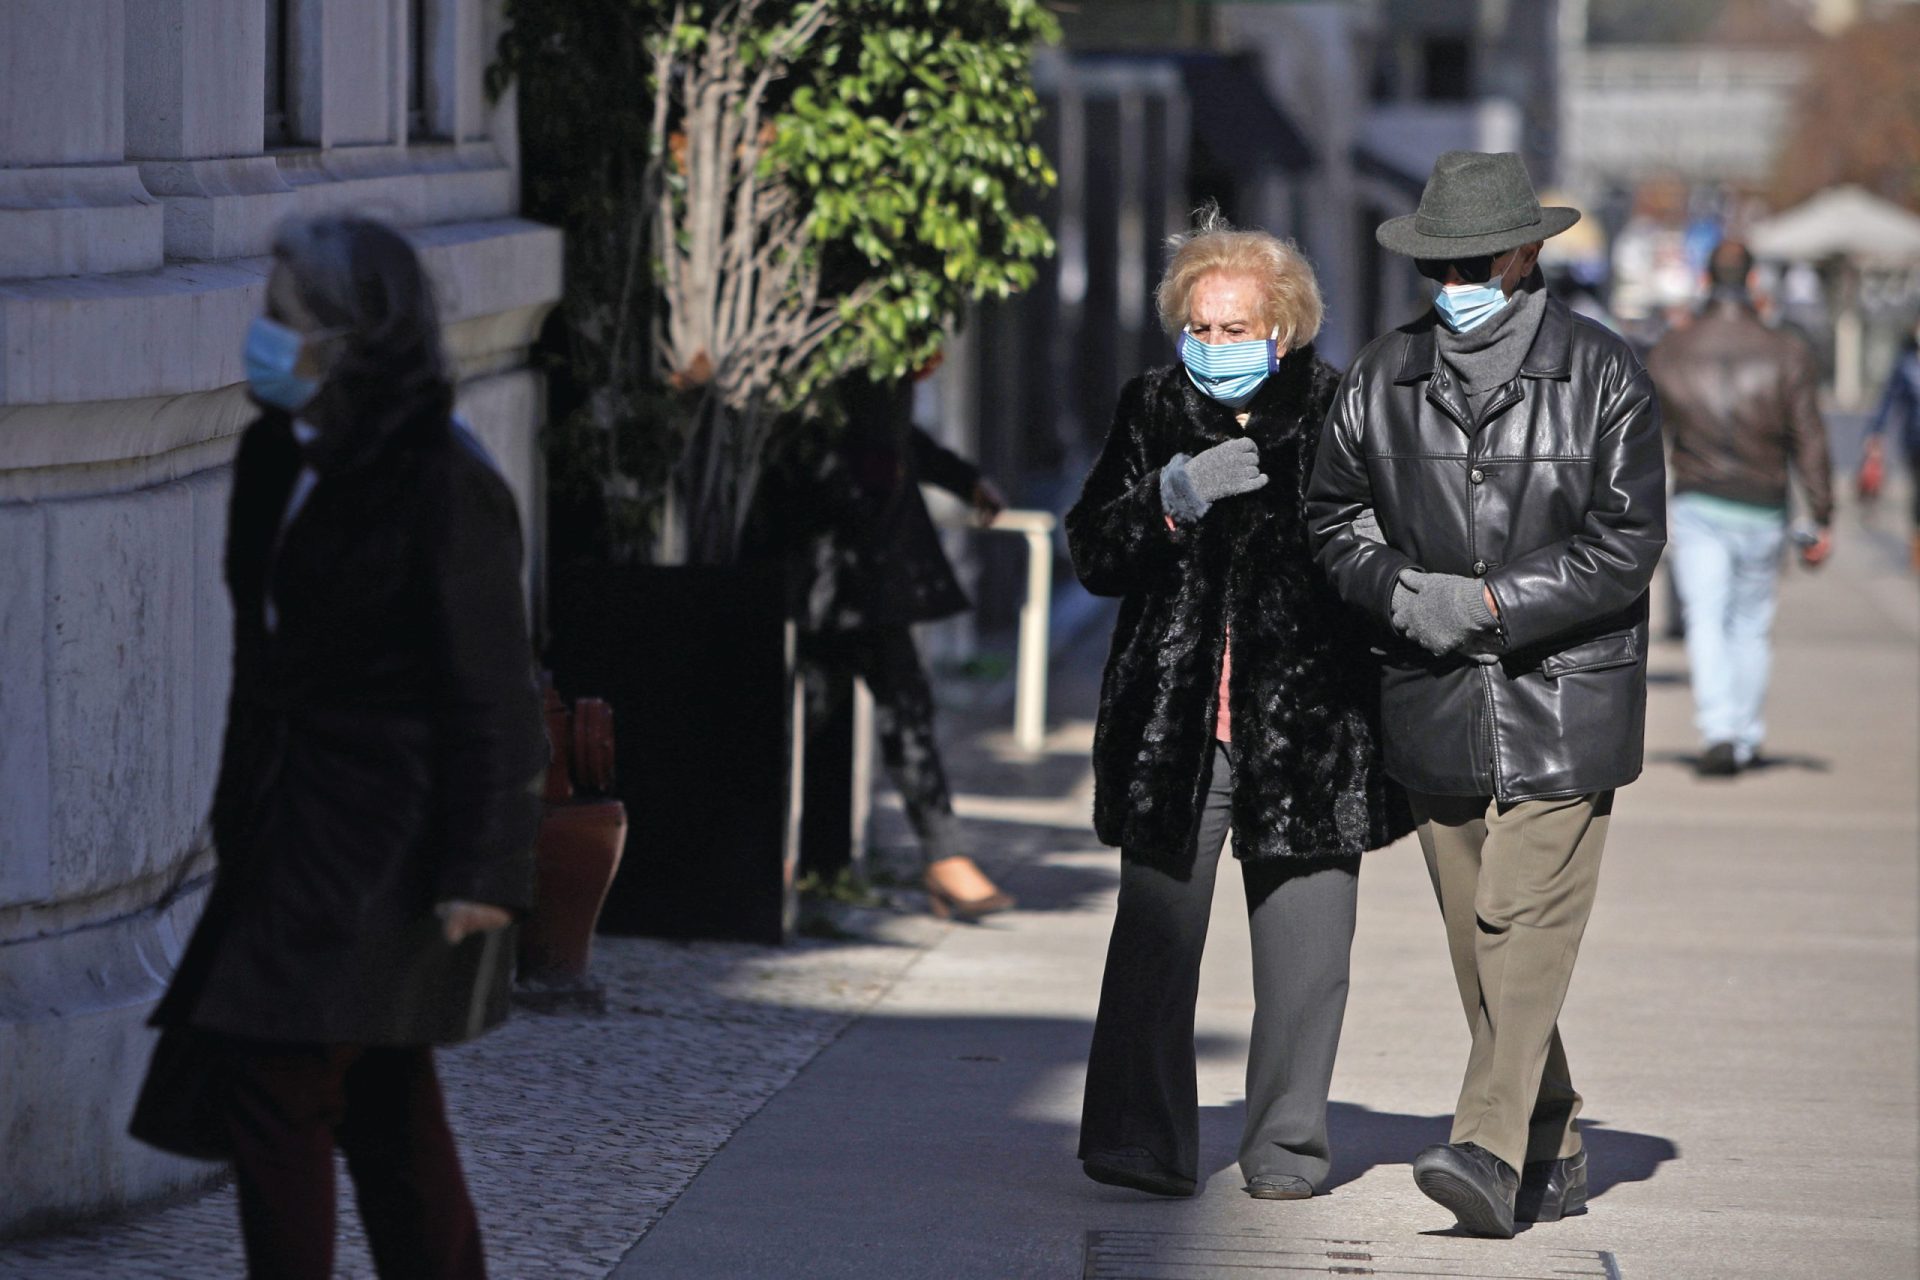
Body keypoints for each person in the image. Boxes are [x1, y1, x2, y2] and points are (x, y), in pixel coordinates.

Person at [136, 216, 547, 1279]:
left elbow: (492, 689)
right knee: (381, 1098)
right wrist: (239, 813)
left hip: (384, 845)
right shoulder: (283, 451)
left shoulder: (440, 478)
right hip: (293, 828)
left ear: (355, 334)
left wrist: (484, 871)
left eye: (287, 318)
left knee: (277, 1080)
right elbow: (265, 656)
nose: (265, 337)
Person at [1308, 151, 1667, 1238]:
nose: (1454, 278)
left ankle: (1486, 1150)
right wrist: (1407, 593)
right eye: (1438, 261)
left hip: (1568, 697)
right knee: (1482, 939)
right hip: (1431, 696)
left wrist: (1497, 603)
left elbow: (1627, 541)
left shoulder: (1605, 373)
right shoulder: (1382, 373)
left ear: (1525, 254)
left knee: (1521, 918)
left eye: (1473, 260)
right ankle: (1551, 1133)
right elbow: (1331, 519)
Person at [1069, 209, 1409, 1203]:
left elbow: (1380, 561)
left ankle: (1287, 1147)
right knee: (1153, 946)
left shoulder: (1342, 413)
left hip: (1311, 730)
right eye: (1201, 327)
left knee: (1307, 962)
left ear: (1286, 327)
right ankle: (1140, 1138)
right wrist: (1169, 495)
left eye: (1237, 328)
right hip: (1174, 731)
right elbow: (1093, 548)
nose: (1215, 347)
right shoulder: (1150, 409)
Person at [777, 367, 1015, 919]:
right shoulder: (855, 345)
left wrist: (962, 478)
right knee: (869, 706)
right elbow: (870, 442)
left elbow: (897, 439)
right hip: (836, 563)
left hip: (867, 568)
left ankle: (927, 861)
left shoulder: (882, 361)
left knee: (884, 704)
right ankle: (936, 861)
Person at [1647, 240, 1833, 777]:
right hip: (1763, 504)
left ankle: (1719, 730)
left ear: (1706, 281)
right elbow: (1811, 438)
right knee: (1749, 624)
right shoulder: (1786, 351)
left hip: (1698, 497)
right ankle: (1744, 734)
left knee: (1705, 617)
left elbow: (1643, 438)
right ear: (1754, 284)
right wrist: (1821, 514)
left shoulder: (1672, 349)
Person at [1860, 319, 1920, 571]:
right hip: (1915, 441)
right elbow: (1889, 400)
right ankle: (1916, 547)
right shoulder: (1906, 364)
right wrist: (1876, 434)